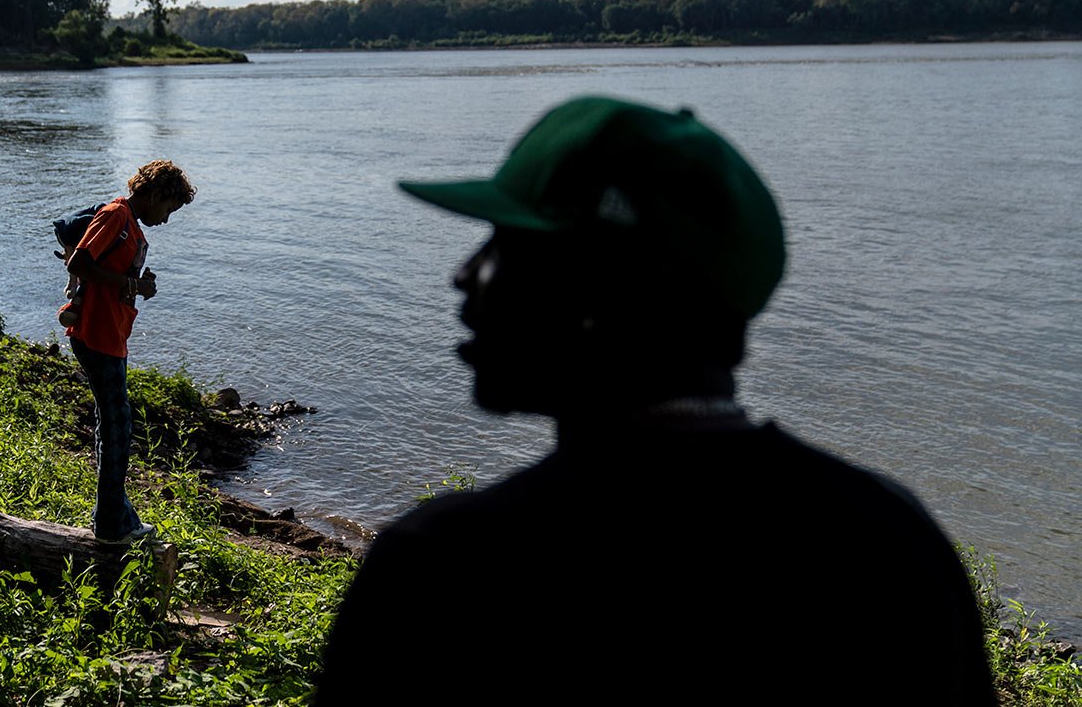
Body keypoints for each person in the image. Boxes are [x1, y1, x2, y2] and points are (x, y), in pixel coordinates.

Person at [314, 95, 995, 705]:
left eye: (508, 245)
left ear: (607, 289)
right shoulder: (891, 539)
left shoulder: (448, 571)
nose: (465, 275)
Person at [63, 159, 195, 544]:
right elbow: (80, 262)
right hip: (96, 335)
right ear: (154, 194)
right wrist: (127, 281)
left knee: (113, 427)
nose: (167, 219)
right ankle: (111, 526)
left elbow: (111, 276)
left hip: (111, 335)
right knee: (118, 429)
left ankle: (116, 517)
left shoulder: (130, 224)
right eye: (168, 209)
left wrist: (138, 285)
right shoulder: (116, 216)